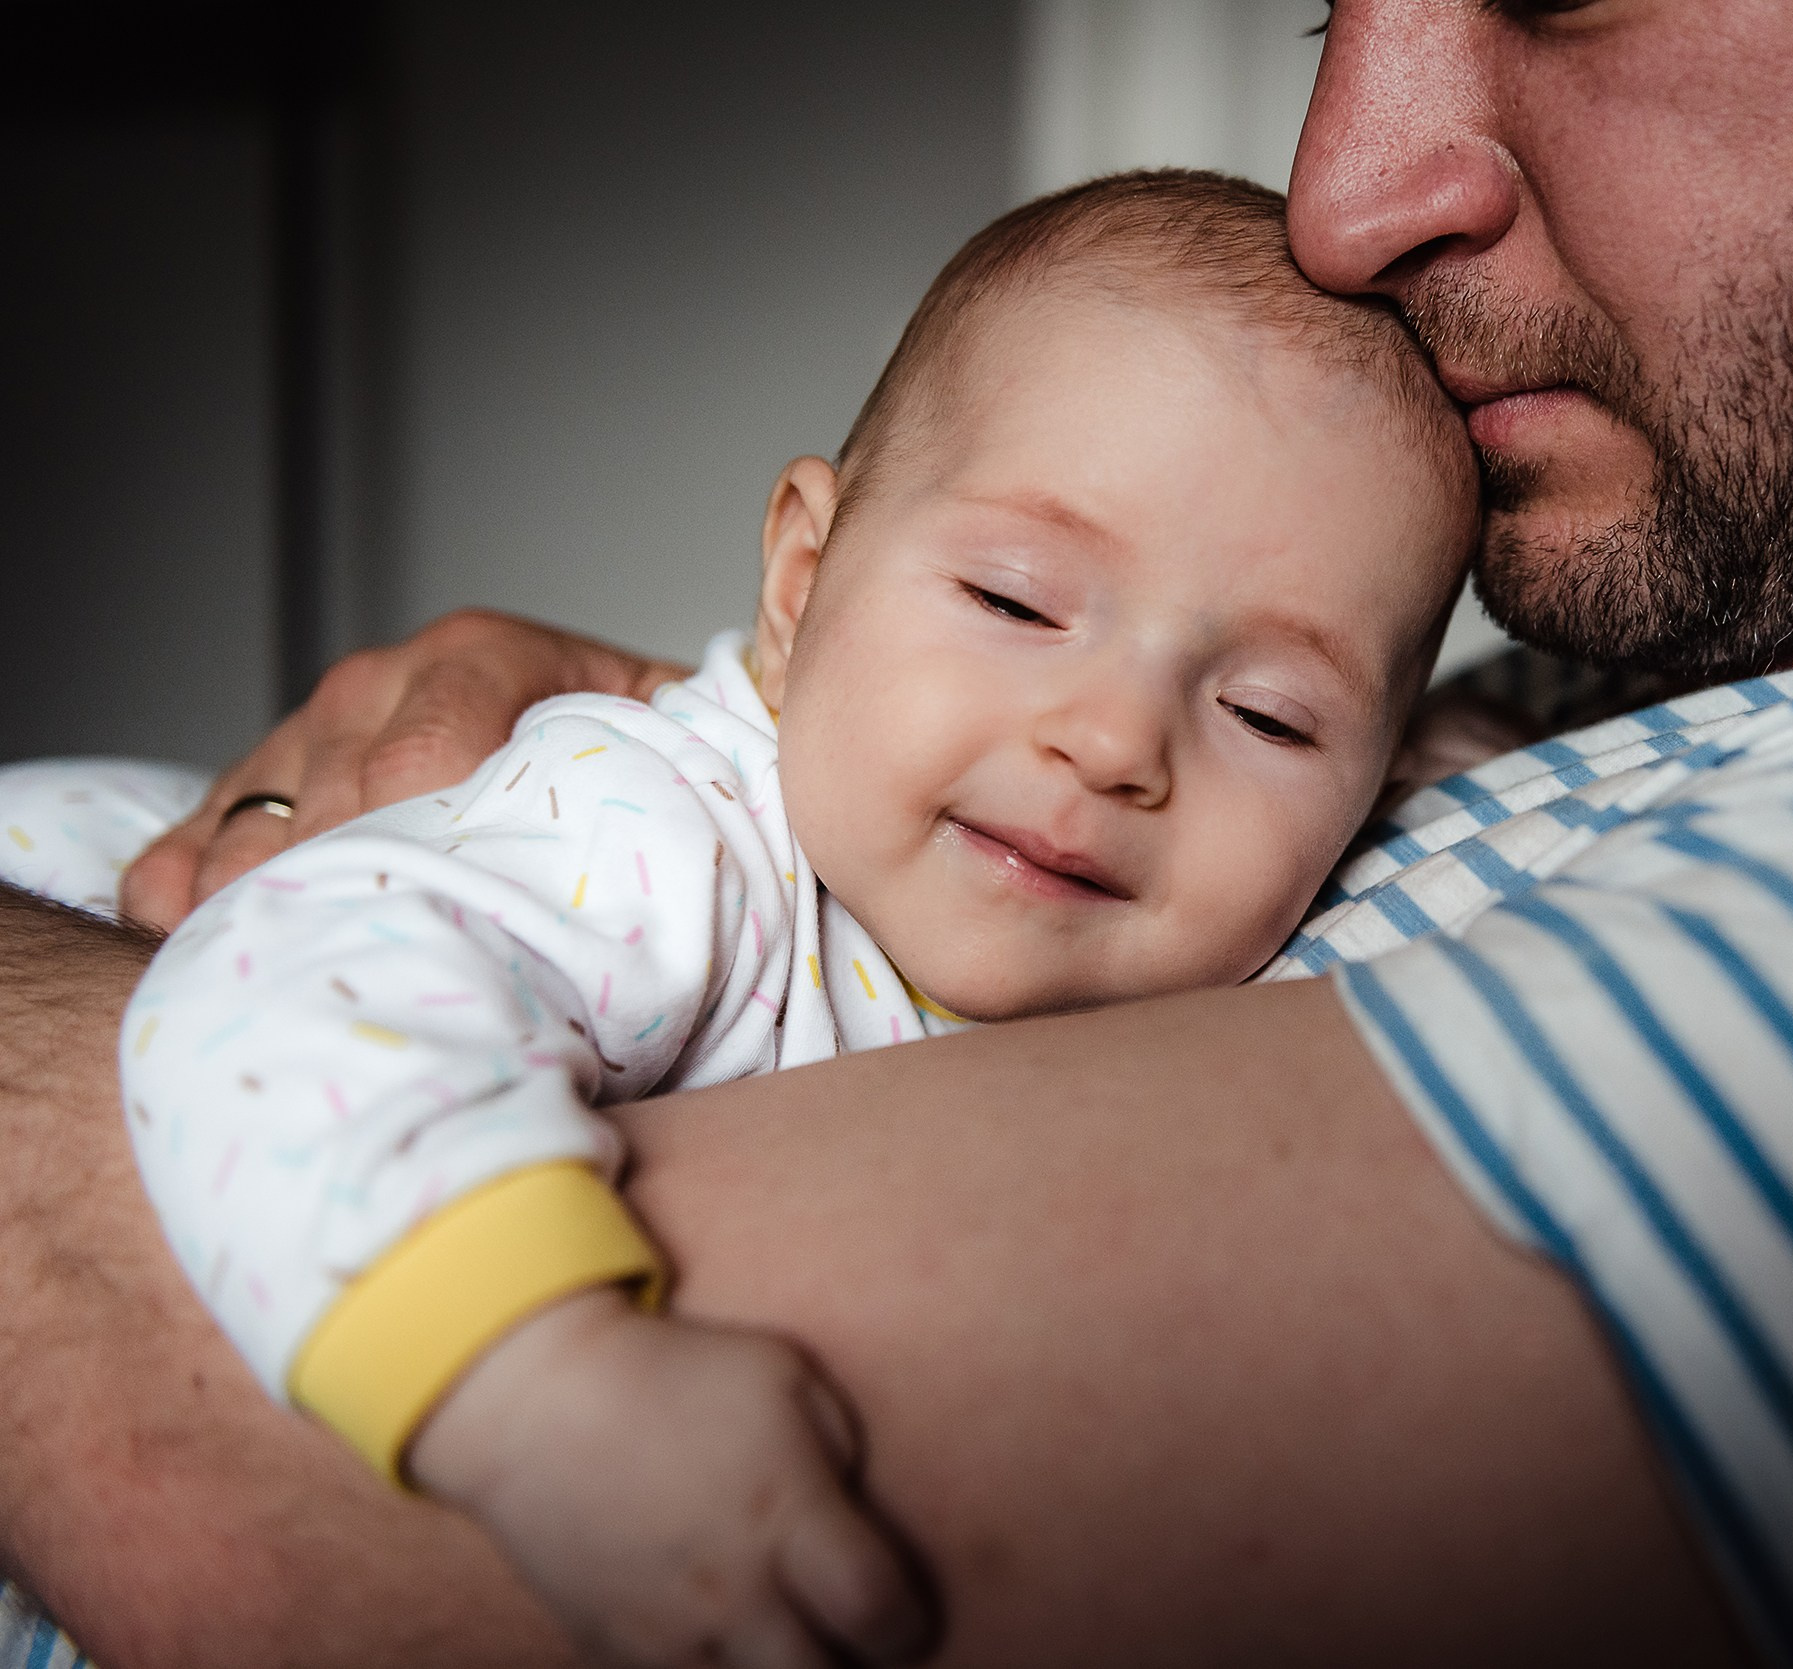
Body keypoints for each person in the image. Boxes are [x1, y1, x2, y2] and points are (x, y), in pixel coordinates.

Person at [2, 0, 1793, 1665]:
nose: (1346, 188)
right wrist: (695, 724)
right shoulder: (1608, 709)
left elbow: (270, 1491)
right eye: (1329, 16)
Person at [13, 170, 1469, 1669]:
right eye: (1020, 601)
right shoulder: (661, 832)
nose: (1114, 741)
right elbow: (279, 998)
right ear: (800, 579)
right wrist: (546, 1393)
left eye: (1269, 717)